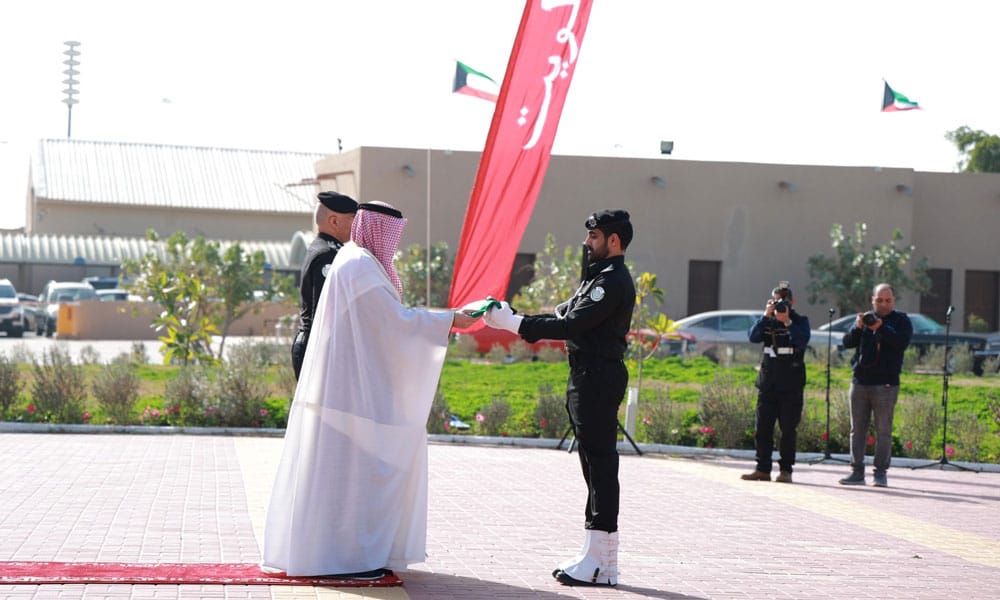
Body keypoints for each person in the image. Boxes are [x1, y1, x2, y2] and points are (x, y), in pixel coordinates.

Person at [262, 201, 479, 577]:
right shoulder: (360, 265)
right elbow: (394, 322)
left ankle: (343, 555)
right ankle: (346, 558)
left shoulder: (356, 261)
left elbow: (385, 321)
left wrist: (442, 319)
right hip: (350, 392)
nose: (394, 245)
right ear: (377, 229)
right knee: (356, 474)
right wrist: (450, 320)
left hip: (350, 387)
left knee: (349, 474)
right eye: (392, 236)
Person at [484, 209, 635, 587]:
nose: (587, 242)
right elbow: (562, 314)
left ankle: (603, 561)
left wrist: (513, 325)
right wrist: (515, 315)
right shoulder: (597, 277)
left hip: (598, 376)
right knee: (592, 465)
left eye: (595, 237)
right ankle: (596, 554)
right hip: (587, 375)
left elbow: (571, 325)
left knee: (600, 466)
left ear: (614, 240)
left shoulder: (611, 282)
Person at [839, 283, 912, 488]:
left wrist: (881, 328)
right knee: (857, 429)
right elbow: (847, 342)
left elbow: (901, 343)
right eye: (879, 300)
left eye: (887, 300)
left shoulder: (901, 321)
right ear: (873, 301)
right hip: (860, 382)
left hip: (886, 385)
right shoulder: (866, 319)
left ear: (893, 301)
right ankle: (856, 471)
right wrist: (858, 327)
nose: (883, 304)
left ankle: (880, 473)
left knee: (883, 430)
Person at [741, 282, 811, 484]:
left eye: (784, 300)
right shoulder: (767, 321)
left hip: (791, 383)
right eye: (776, 300)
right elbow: (753, 337)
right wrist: (765, 316)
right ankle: (762, 469)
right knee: (763, 428)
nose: (780, 304)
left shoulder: (800, 321)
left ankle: (786, 470)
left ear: (792, 302)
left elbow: (801, 340)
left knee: (788, 429)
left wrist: (787, 321)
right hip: (768, 382)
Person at [290, 191, 358, 380]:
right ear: (334, 221)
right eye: (352, 219)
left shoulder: (326, 249)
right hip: (317, 348)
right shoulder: (327, 255)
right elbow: (326, 310)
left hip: (317, 345)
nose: (356, 225)